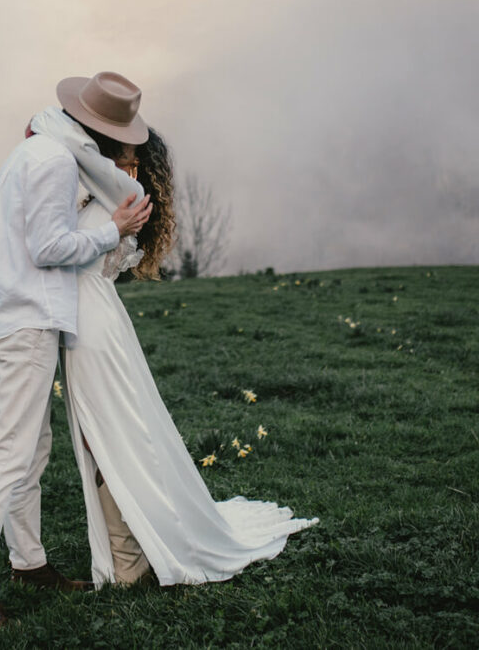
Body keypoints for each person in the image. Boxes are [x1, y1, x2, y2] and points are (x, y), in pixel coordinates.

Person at [26, 84, 320, 590]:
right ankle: (128, 551)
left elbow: (45, 129)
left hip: (93, 325)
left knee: (108, 434)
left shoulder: (112, 188)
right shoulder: (94, 175)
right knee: (109, 434)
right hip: (92, 321)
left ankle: (130, 555)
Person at [0, 72, 153, 636]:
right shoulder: (56, 162)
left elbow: (5, 235)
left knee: (32, 450)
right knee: (10, 453)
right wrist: (113, 228)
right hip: (30, 320)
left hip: (15, 315)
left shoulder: (27, 152)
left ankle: (28, 563)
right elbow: (49, 247)